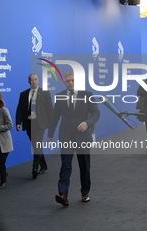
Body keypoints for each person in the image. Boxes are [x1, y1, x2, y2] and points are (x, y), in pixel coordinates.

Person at [48, 71, 100, 207]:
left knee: (85, 167)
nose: (70, 83)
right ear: (64, 83)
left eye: (73, 80)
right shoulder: (59, 96)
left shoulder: (87, 94)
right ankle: (63, 195)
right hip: (66, 136)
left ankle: (85, 193)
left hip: (82, 136)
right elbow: (54, 117)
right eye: (68, 81)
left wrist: (88, 123)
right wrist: (50, 134)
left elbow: (96, 113)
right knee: (65, 165)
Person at [16, 74, 53, 179]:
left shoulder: (44, 93)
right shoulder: (23, 94)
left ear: (38, 80)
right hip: (29, 123)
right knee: (36, 146)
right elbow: (19, 109)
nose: (34, 82)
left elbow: (50, 109)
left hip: (40, 123)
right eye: (31, 80)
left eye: (35, 79)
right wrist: (18, 122)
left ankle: (35, 167)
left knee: (37, 145)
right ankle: (44, 165)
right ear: (29, 82)